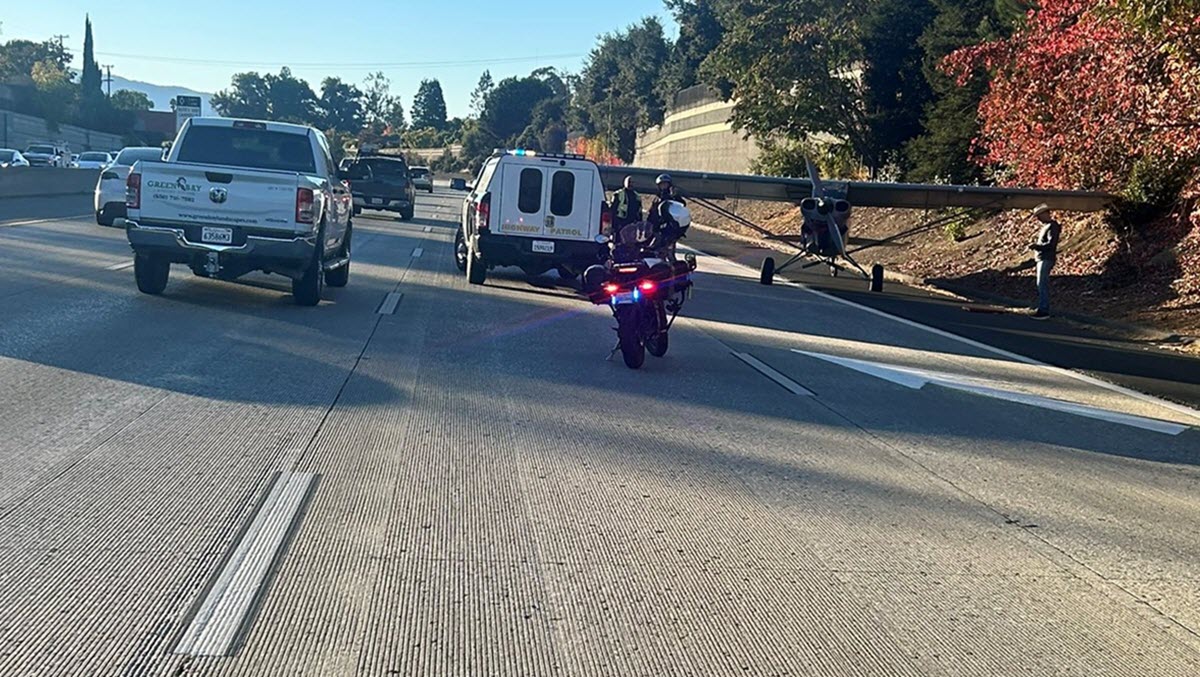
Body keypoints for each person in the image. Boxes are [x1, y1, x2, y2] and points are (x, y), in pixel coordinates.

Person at [1029, 203, 1062, 320]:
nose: (1038, 218)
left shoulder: (1053, 226)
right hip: (1042, 257)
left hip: (1046, 257)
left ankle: (1044, 310)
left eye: (1039, 215)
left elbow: (1051, 244)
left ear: (1046, 214)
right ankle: (1042, 307)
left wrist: (1037, 246)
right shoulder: (1046, 226)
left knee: (1042, 283)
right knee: (1040, 284)